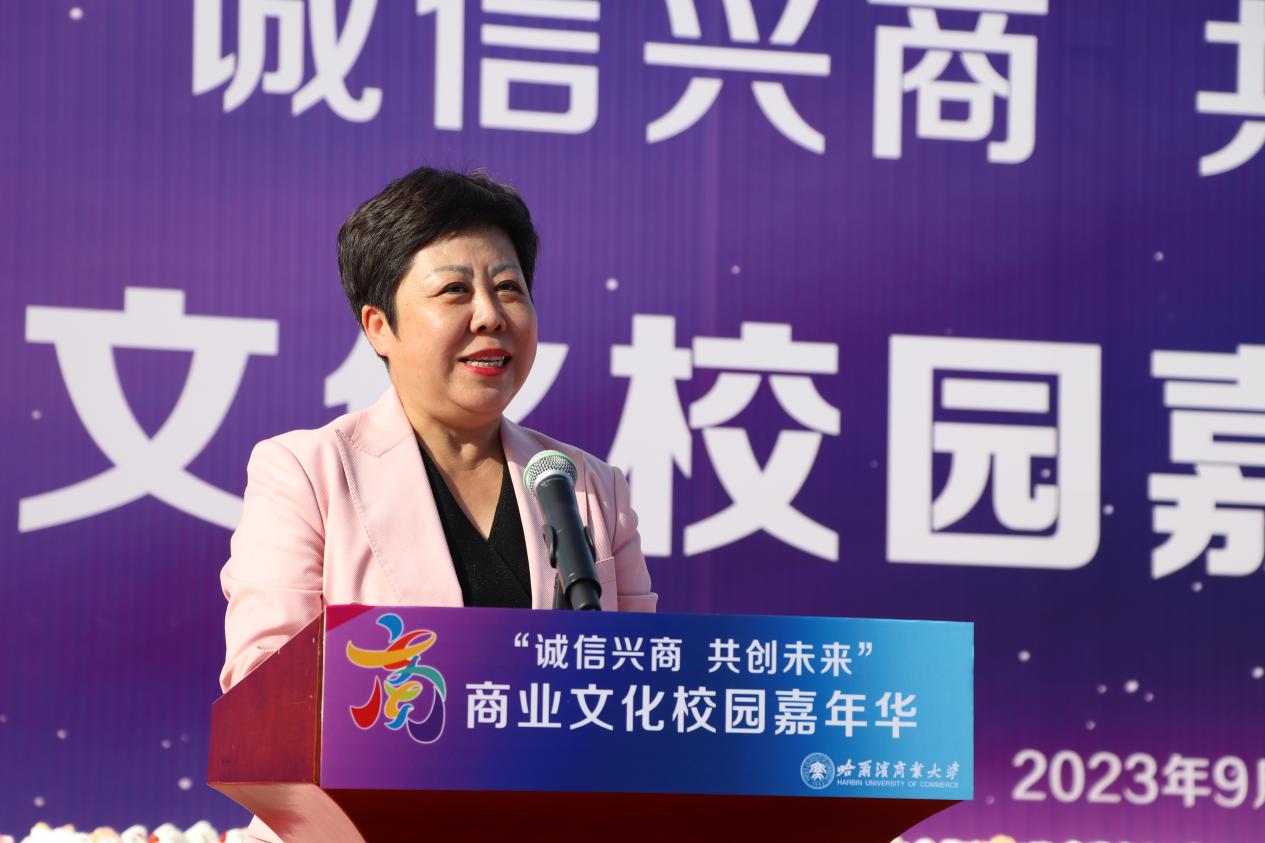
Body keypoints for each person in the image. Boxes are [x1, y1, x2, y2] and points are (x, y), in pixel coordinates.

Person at [218, 167, 656, 841]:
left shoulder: (589, 488)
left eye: (509, 288)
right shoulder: (305, 471)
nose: (491, 315)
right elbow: (266, 689)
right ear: (378, 326)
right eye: (455, 290)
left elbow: (644, 698)